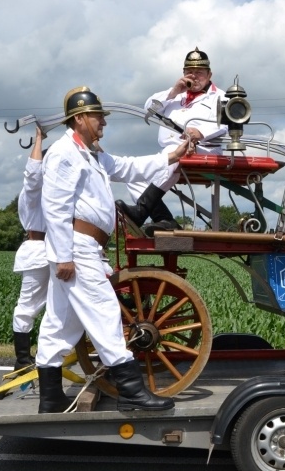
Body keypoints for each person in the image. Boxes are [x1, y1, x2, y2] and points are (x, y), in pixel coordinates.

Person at [36, 86, 193, 414]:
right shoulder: (64, 153)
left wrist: (170, 156)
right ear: (79, 119)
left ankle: (50, 398)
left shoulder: (89, 154)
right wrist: (63, 256)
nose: (103, 123)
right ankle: (133, 392)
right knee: (106, 313)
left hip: (83, 246)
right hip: (77, 248)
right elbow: (55, 206)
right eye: (98, 117)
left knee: (61, 323)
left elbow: (127, 167)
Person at [117, 47, 226, 236]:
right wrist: (174, 92)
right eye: (189, 72)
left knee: (174, 154)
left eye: (199, 72)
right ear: (183, 74)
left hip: (204, 149)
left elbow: (225, 124)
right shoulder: (175, 94)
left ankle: (140, 212)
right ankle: (165, 220)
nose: (195, 76)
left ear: (209, 74)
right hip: (171, 151)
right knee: (136, 175)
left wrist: (200, 132)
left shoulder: (221, 96)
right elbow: (149, 108)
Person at [10, 125, 48, 371]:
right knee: (27, 307)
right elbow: (33, 174)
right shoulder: (33, 192)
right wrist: (38, 140)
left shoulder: (54, 191)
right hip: (38, 250)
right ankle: (22, 359)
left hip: (56, 248)